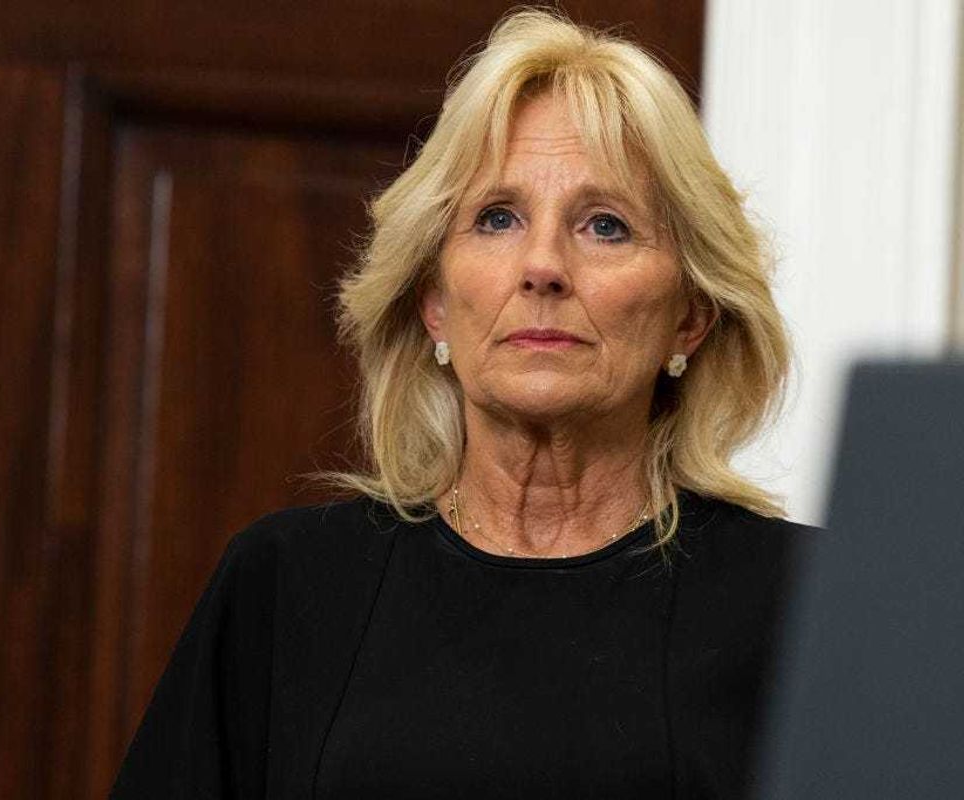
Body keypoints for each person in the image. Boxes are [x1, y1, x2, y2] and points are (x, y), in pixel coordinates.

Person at [111, 9, 813, 799]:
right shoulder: (288, 587)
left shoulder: (805, 605)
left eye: (606, 226)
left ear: (691, 317)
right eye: (497, 218)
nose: (543, 265)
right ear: (435, 303)